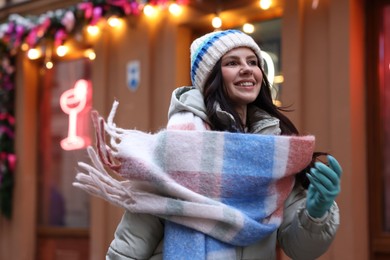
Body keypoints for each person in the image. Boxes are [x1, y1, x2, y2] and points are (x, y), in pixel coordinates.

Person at [85, 29, 342, 260]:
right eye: (232, 63)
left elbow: (300, 249)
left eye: (253, 62)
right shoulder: (179, 148)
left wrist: (316, 214)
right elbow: (130, 246)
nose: (246, 68)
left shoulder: (273, 152)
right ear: (211, 77)